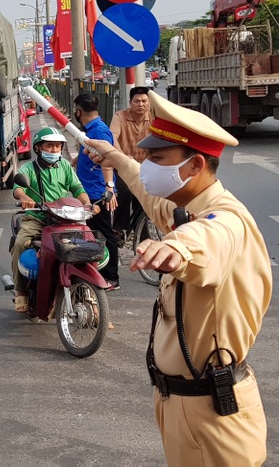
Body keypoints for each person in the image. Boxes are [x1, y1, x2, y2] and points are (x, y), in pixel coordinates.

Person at [84, 91, 271, 467]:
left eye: (157, 158)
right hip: (184, 403)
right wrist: (118, 158)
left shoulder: (224, 220)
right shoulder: (188, 206)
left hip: (212, 413)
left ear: (195, 164)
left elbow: (208, 238)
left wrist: (176, 249)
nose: (147, 165)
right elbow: (153, 198)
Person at [11, 127, 94, 312]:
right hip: (38, 219)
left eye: (58, 146)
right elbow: (18, 188)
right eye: (50, 146)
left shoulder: (65, 165)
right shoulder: (29, 168)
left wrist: (88, 204)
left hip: (65, 219)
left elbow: (77, 188)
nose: (55, 150)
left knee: (88, 245)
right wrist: (25, 199)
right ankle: (21, 292)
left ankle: (90, 294)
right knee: (21, 244)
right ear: (38, 148)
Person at [71, 94, 121, 290]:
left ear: (78, 112)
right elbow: (92, 157)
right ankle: (99, 272)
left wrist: (109, 189)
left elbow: (108, 161)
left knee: (105, 234)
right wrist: (76, 162)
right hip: (90, 190)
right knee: (94, 232)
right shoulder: (90, 131)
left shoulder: (99, 132)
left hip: (98, 192)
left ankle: (112, 277)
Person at [110, 86, 154, 252]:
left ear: (149, 103)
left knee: (144, 198)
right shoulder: (120, 116)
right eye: (137, 101)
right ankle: (120, 229)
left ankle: (142, 234)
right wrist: (122, 156)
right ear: (130, 103)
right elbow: (112, 137)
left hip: (147, 165)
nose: (140, 104)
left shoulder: (154, 118)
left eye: (144, 101)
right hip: (124, 166)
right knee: (125, 192)